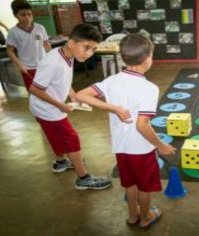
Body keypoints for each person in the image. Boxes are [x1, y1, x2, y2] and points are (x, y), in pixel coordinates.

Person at [76, 33, 176, 228]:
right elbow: (142, 126)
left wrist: (114, 108)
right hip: (141, 149)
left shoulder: (112, 80)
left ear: (123, 57)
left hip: (120, 147)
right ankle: (145, 217)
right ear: (148, 59)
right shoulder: (149, 88)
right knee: (145, 187)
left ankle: (132, 217)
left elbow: (81, 94)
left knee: (129, 184)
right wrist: (161, 145)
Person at [29, 24, 127, 190]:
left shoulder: (68, 55)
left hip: (46, 107)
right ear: (71, 42)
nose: (89, 54)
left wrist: (73, 96)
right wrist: (60, 105)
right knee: (70, 139)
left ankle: (60, 162)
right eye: (86, 48)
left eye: (93, 49)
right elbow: (34, 88)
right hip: (48, 109)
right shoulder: (53, 61)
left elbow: (63, 80)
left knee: (55, 136)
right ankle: (83, 178)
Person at [6, 0, 51, 91]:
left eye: (29, 14)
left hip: (44, 65)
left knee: (49, 90)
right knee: (34, 92)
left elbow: (47, 45)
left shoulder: (40, 28)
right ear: (15, 16)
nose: (27, 18)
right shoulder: (13, 32)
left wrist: (53, 60)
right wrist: (19, 65)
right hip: (28, 68)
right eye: (22, 15)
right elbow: (10, 51)